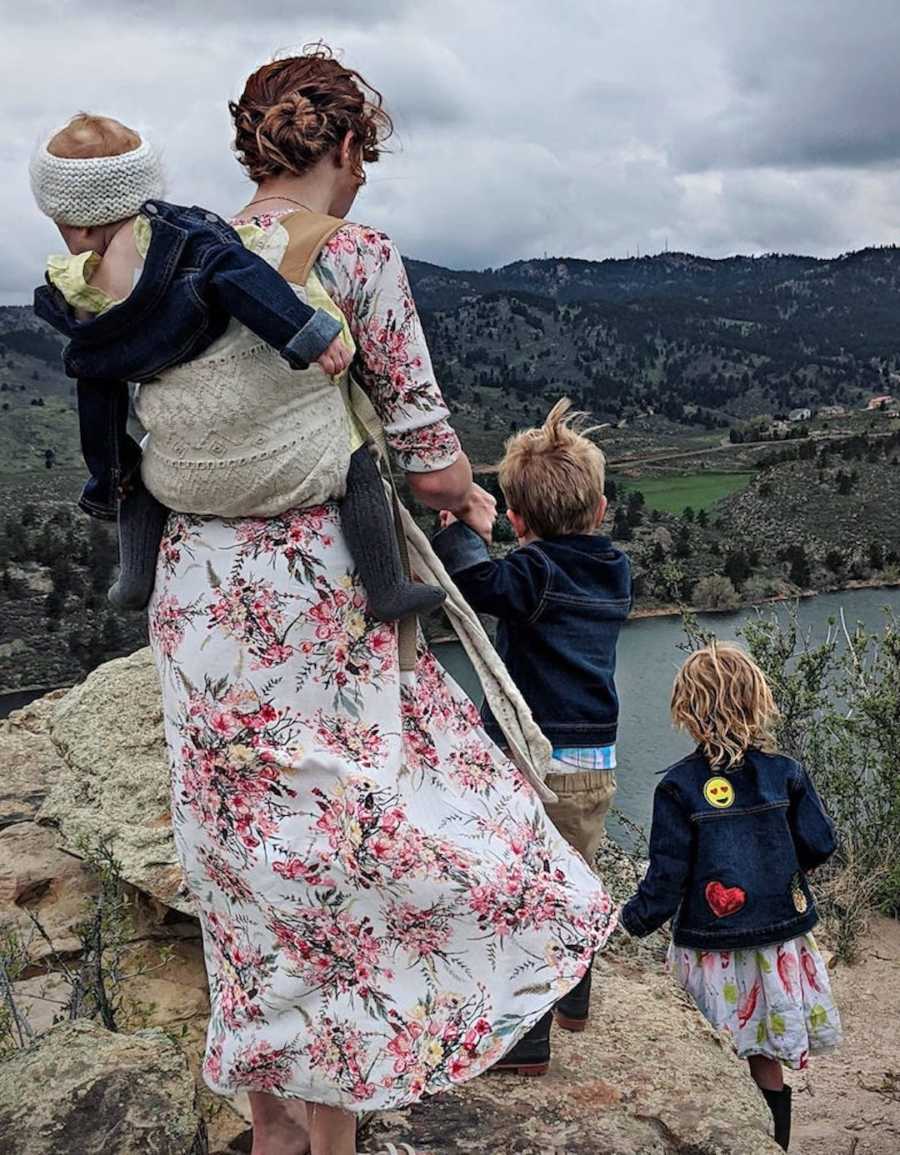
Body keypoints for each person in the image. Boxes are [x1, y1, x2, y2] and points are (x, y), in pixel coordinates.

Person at [136, 46, 616, 1155]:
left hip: (201, 596)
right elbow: (435, 460)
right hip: (315, 591)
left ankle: (270, 1123)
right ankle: (338, 1125)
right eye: (368, 158)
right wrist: (479, 515)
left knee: (246, 863)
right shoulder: (352, 253)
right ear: (347, 147)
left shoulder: (173, 263)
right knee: (345, 853)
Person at [30, 114, 444, 622]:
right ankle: (388, 587)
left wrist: (106, 471)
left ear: (77, 221)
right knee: (356, 461)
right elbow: (238, 276)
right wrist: (307, 334)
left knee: (132, 472)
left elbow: (95, 389)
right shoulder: (180, 237)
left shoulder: (81, 288)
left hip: (178, 482)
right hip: (278, 450)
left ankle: (134, 576)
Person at [432, 399, 632, 1071]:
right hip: (595, 762)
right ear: (599, 509)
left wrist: (462, 529)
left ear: (517, 520)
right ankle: (576, 1004)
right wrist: (507, 533)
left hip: (535, 759)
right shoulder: (615, 571)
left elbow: (477, 582)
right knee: (579, 876)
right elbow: (529, 574)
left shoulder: (535, 572)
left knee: (532, 893)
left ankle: (530, 1041)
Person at [620, 643, 842, 1151]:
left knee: (714, 1052)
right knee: (763, 1052)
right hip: (778, 944)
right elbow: (822, 843)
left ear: (688, 711)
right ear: (756, 701)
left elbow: (667, 878)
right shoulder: (784, 770)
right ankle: (772, 1146)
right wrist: (778, 872)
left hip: (710, 946)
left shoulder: (678, 786)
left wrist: (627, 923)